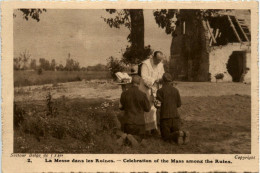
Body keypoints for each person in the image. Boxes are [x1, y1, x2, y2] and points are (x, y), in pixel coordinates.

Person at [156, 73, 189, 145]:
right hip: (175, 117)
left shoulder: (160, 91)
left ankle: (177, 134)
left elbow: (158, 105)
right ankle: (182, 133)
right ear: (171, 81)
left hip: (165, 118)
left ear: (163, 81)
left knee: (165, 137)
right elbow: (179, 104)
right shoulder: (176, 90)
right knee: (173, 133)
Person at [139, 51, 165, 133]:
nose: (158, 62)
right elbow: (144, 77)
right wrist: (155, 80)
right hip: (146, 89)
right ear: (153, 57)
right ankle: (146, 129)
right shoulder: (146, 64)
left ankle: (154, 127)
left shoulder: (160, 65)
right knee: (147, 108)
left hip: (156, 89)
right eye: (157, 60)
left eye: (160, 60)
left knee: (155, 108)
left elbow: (162, 75)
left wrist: (161, 79)